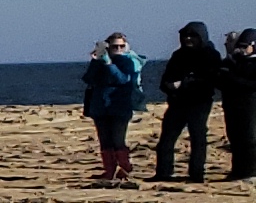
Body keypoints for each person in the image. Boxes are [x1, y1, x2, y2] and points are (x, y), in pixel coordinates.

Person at [155, 20, 223, 183]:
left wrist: (184, 83)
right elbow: (165, 79)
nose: (188, 39)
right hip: (177, 102)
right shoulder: (178, 55)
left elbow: (209, 78)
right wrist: (170, 86)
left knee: (198, 137)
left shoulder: (210, 54)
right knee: (167, 138)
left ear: (201, 37)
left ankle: (196, 173)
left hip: (199, 102)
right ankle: (163, 172)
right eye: (185, 35)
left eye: (193, 35)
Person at [83, 35, 143, 182]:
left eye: (121, 46)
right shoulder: (99, 61)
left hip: (120, 107)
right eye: (115, 46)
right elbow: (88, 78)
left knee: (118, 140)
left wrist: (110, 64)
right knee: (105, 141)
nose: (118, 49)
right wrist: (96, 61)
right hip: (100, 106)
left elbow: (123, 79)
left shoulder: (128, 62)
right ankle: (109, 171)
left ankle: (125, 167)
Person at [226, 28, 256, 183]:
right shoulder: (235, 62)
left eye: (245, 46)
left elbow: (252, 84)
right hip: (233, 105)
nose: (242, 50)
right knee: (235, 138)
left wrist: (233, 79)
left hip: (251, 105)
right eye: (240, 46)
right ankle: (238, 170)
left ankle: (251, 171)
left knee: (249, 138)